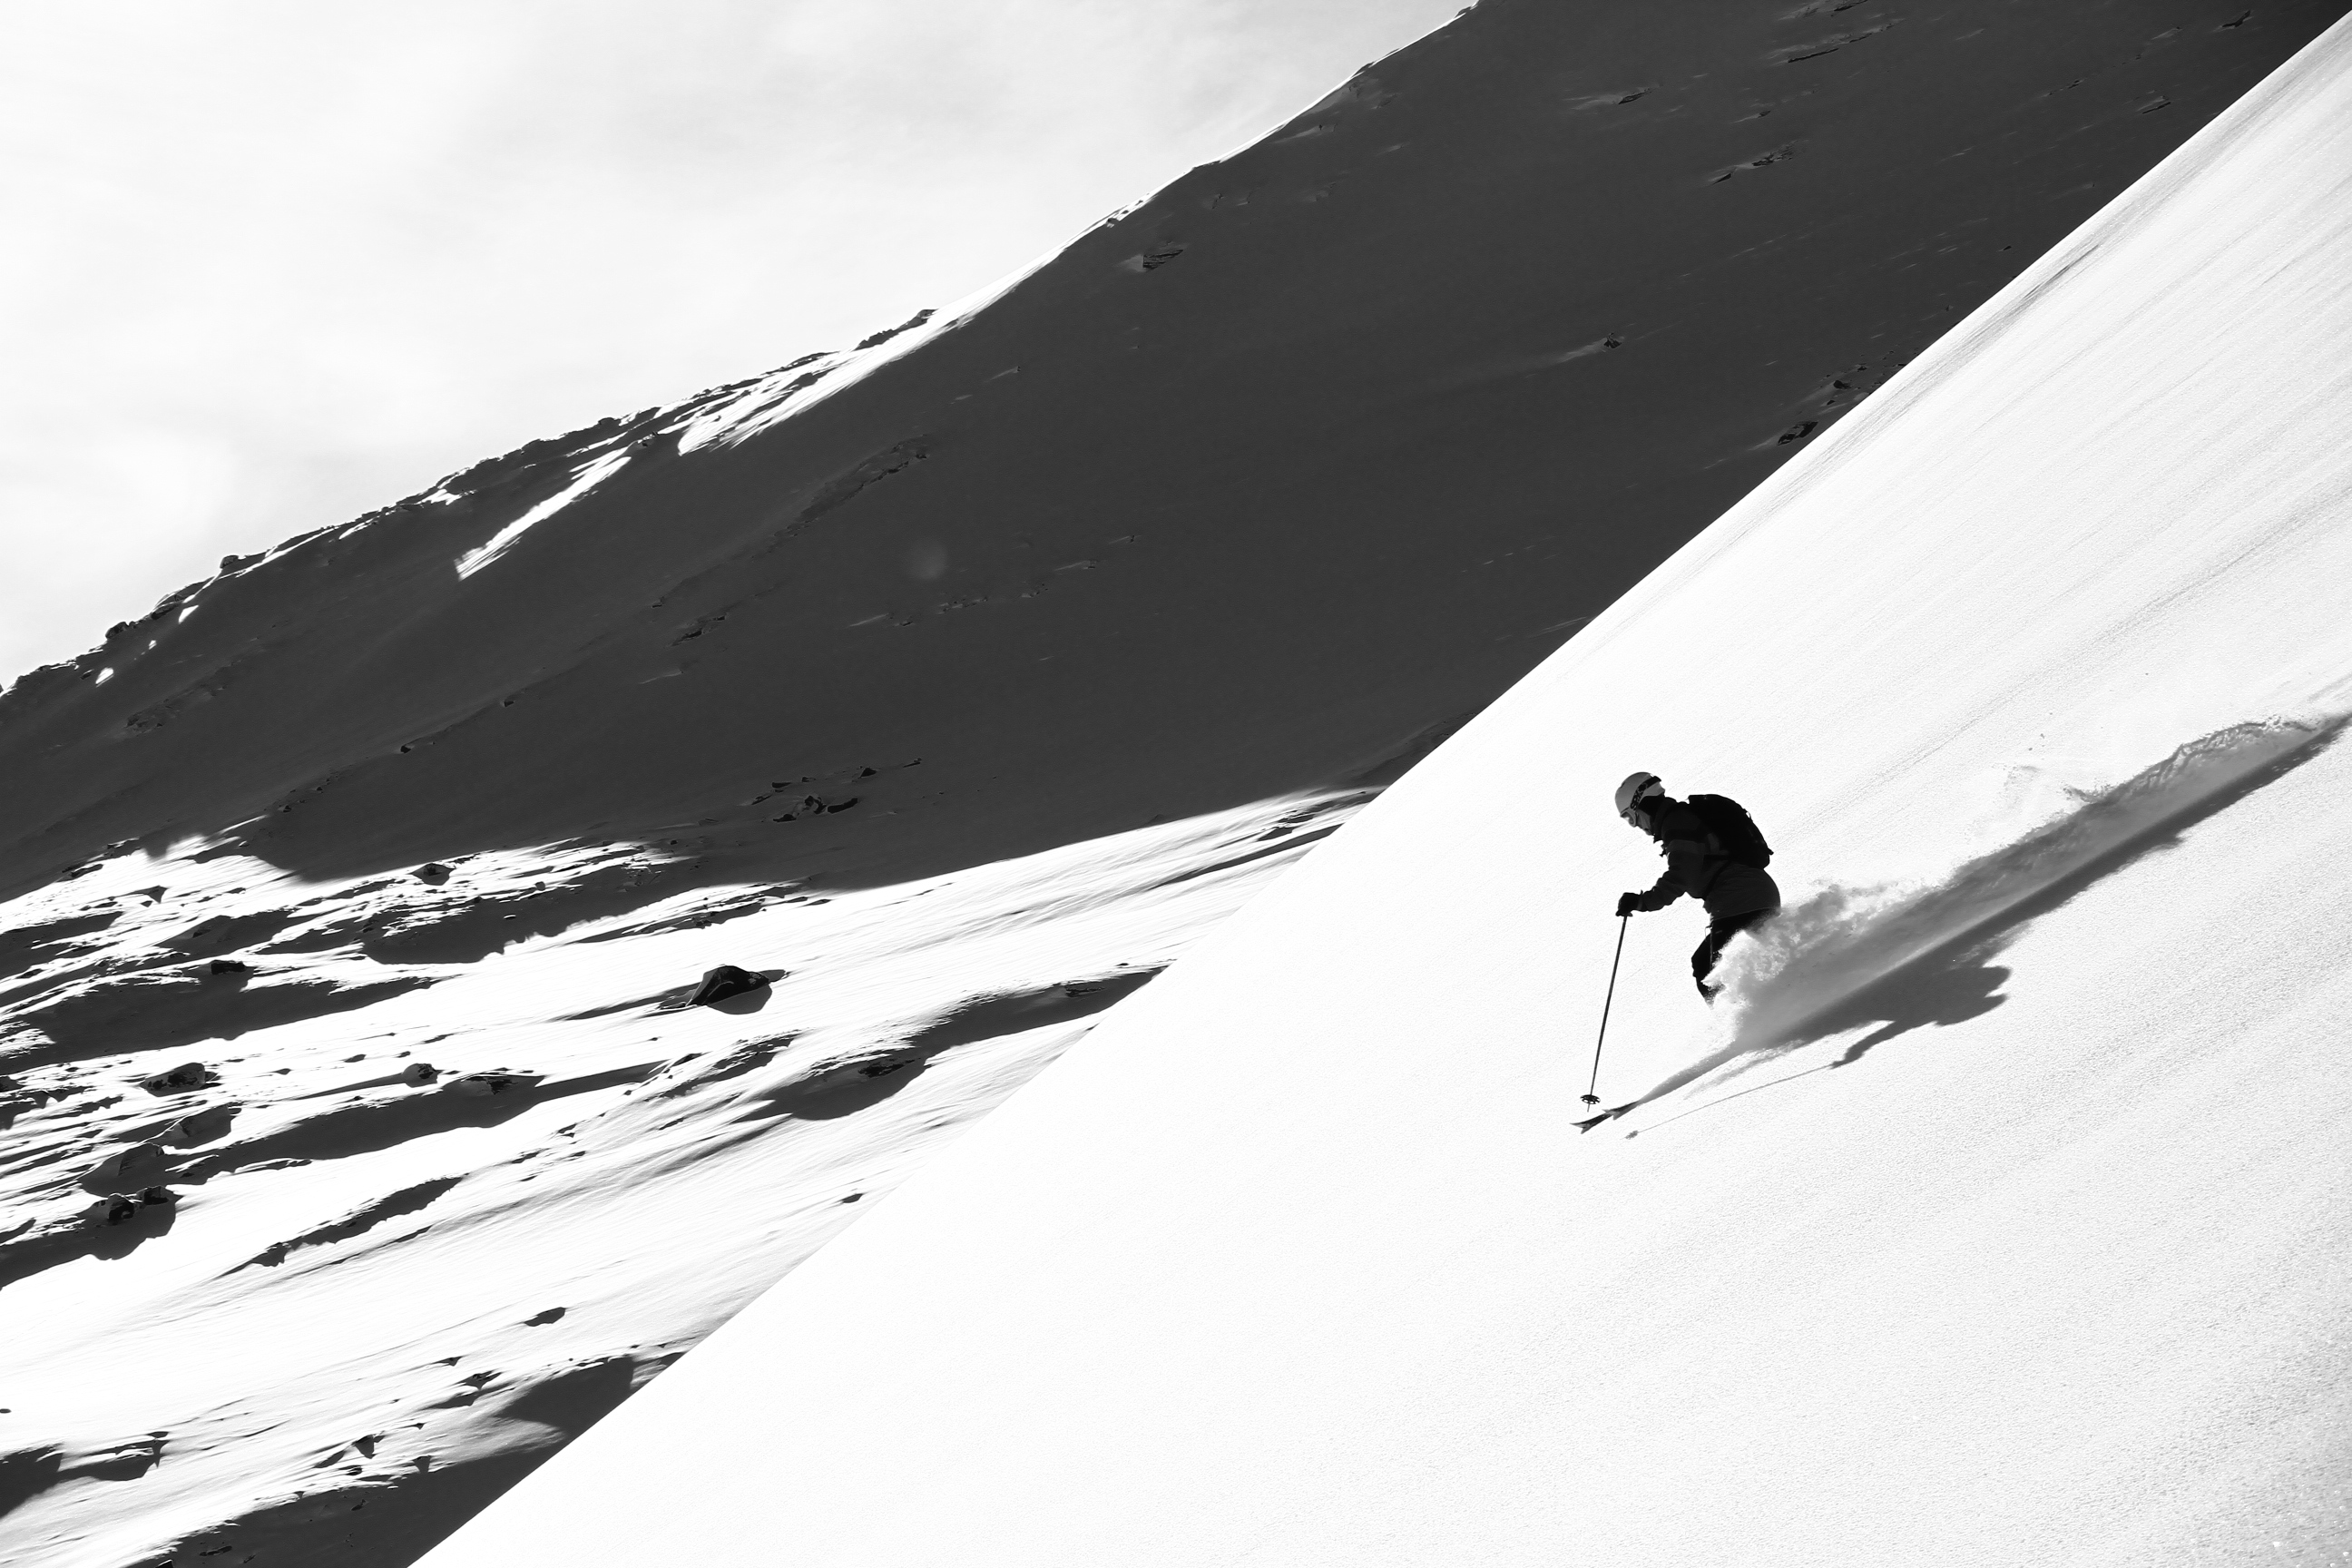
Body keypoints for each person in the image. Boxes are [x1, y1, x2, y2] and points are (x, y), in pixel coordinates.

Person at [1612, 771, 1779, 1001]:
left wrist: (1642, 901)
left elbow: (1681, 875)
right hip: (1748, 897)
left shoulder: (1678, 823)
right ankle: (1783, 1002)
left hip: (1740, 899)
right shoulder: (1679, 820)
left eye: (1631, 817)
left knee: (1707, 969)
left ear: (1641, 804)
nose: (1635, 826)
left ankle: (1749, 1024)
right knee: (1720, 963)